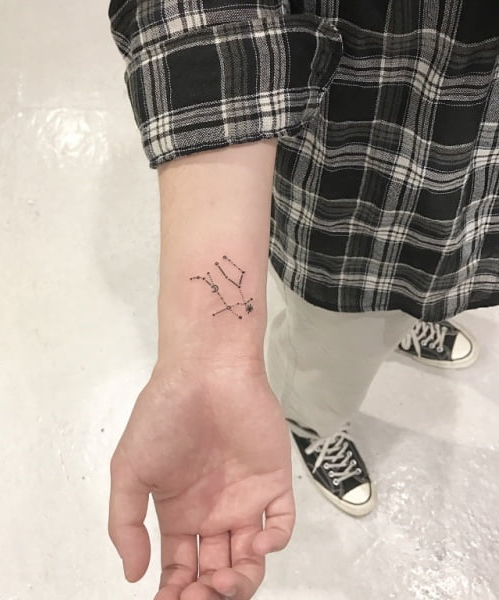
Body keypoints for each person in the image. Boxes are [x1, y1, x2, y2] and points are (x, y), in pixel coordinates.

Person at [107, 1, 499, 598]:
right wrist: (210, 357)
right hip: (357, 170)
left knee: (420, 294)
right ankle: (313, 423)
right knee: (330, 352)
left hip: (474, 190)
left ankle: (408, 312)